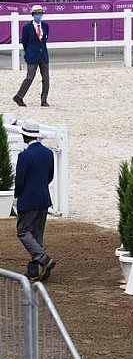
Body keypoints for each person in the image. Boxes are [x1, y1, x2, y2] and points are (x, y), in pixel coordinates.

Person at [14, 120, 56, 282]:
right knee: (37, 234)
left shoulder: (24, 156)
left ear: (25, 135)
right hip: (43, 198)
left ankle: (44, 259)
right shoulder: (48, 153)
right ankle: (33, 270)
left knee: (23, 231)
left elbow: (19, 181)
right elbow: (50, 176)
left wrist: (18, 195)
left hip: (29, 199)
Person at [13, 4, 50, 107]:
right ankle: (19, 96)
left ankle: (44, 100)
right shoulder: (27, 28)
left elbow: (45, 40)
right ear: (33, 15)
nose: (39, 16)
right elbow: (25, 42)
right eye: (37, 14)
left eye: (40, 14)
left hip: (43, 55)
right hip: (32, 56)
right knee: (30, 77)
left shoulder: (45, 26)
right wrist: (29, 52)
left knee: (46, 78)